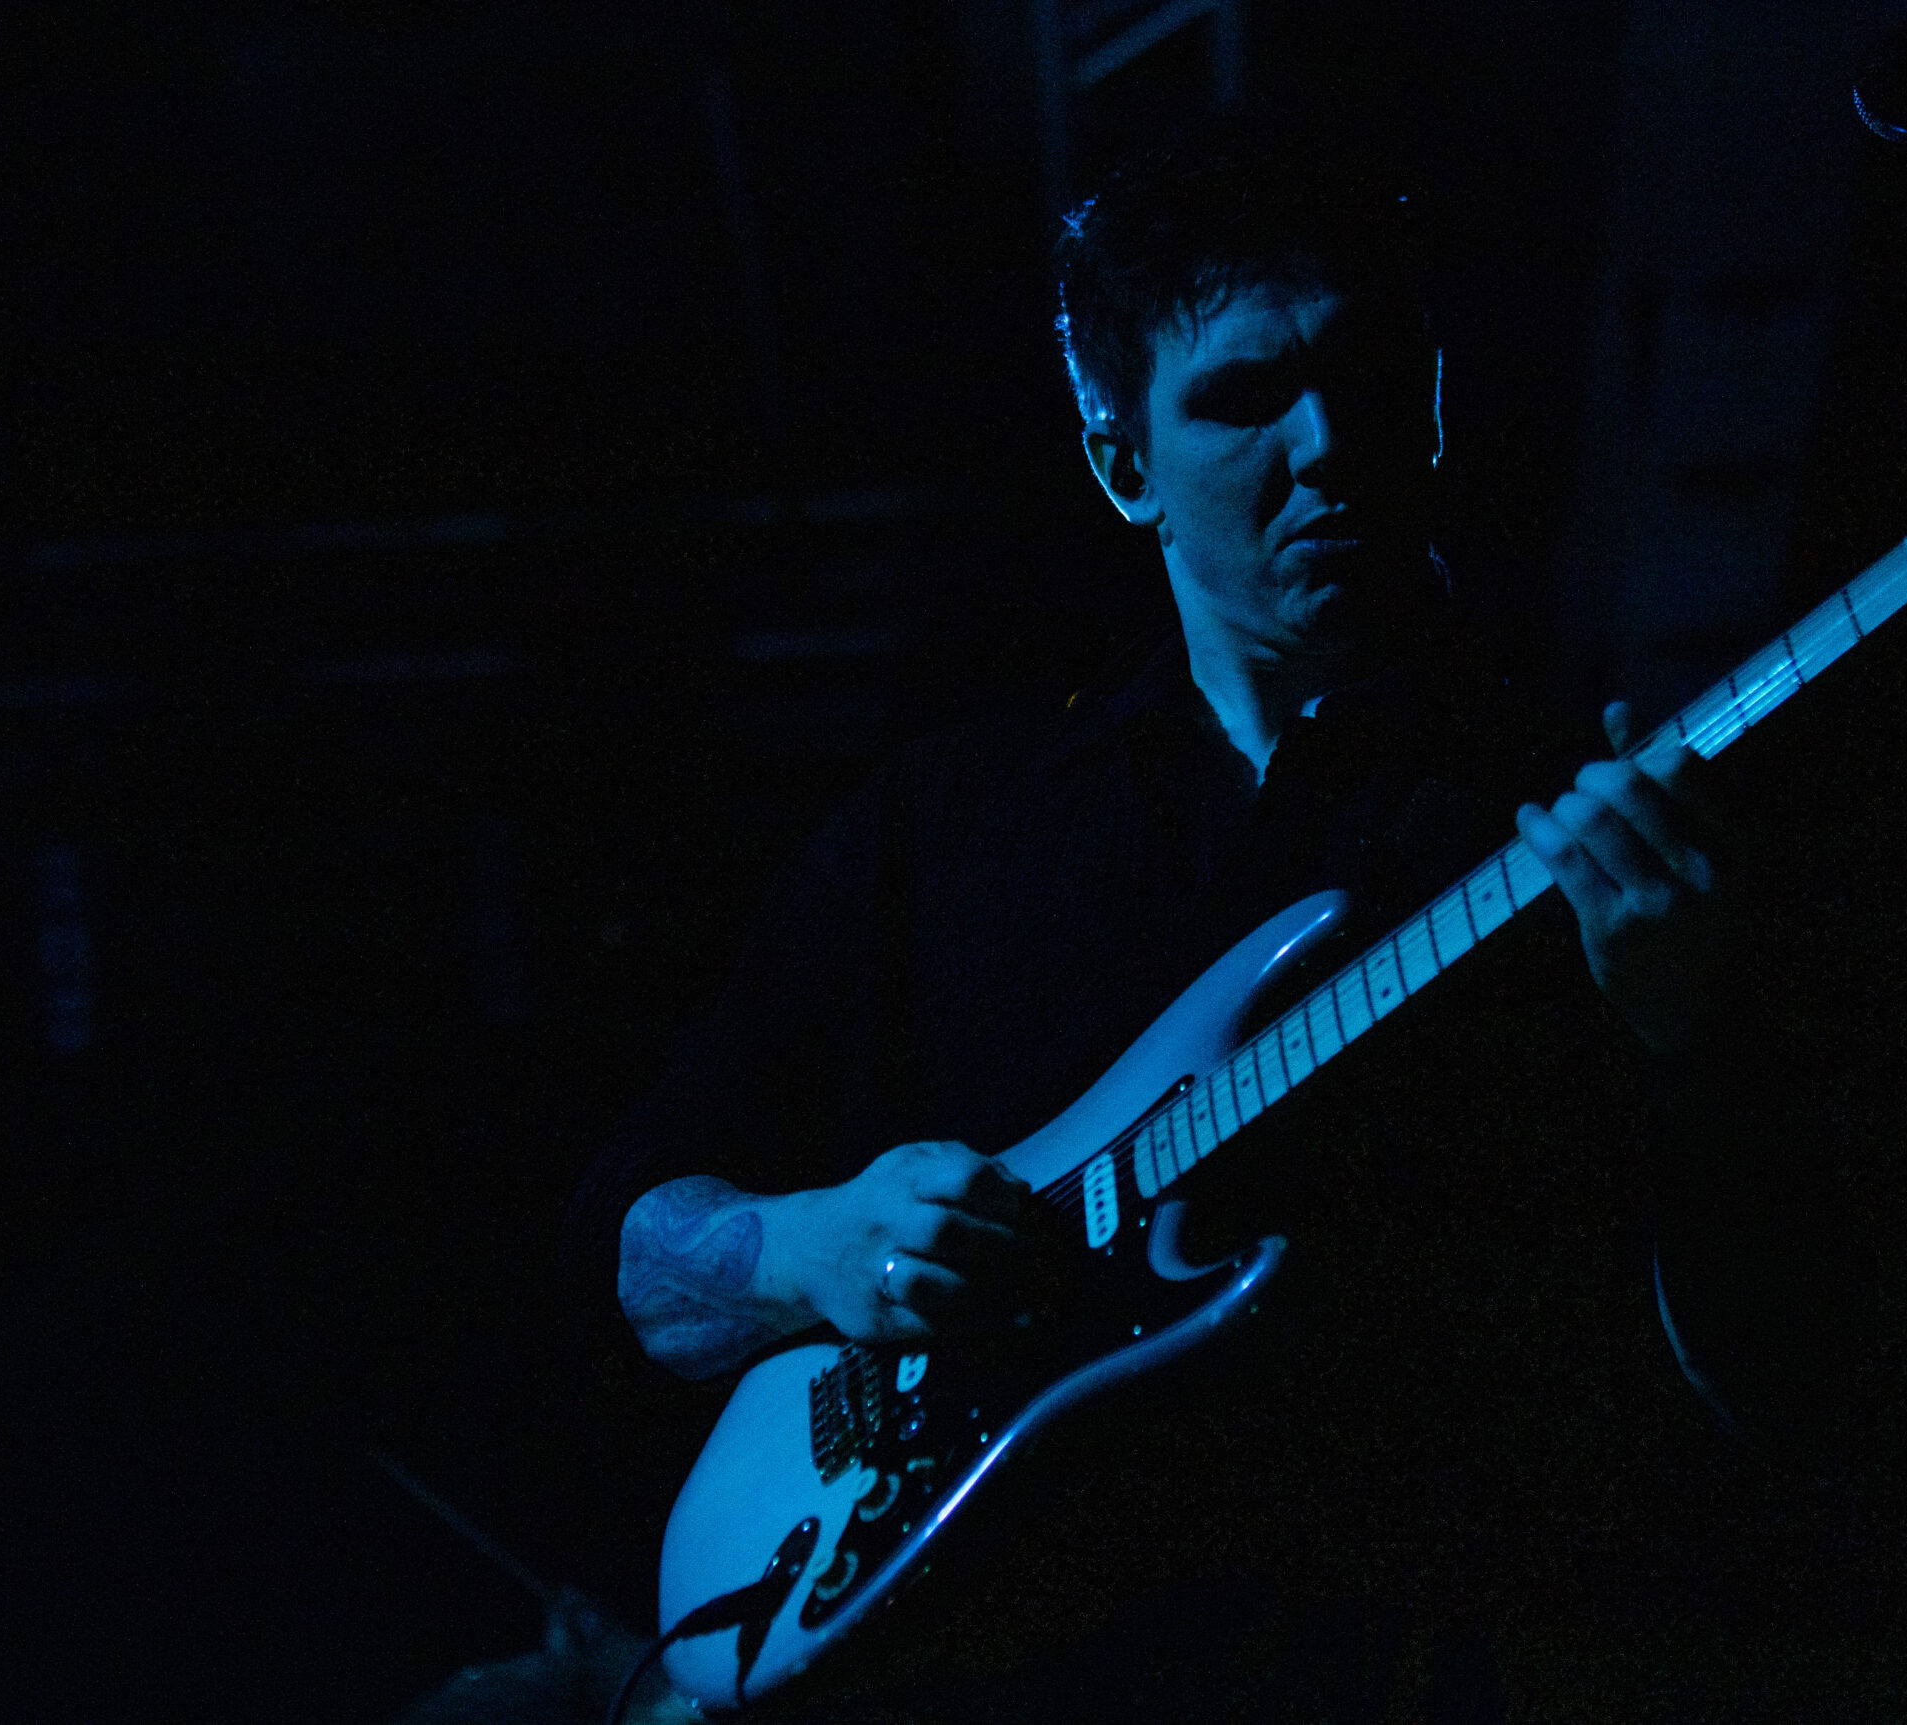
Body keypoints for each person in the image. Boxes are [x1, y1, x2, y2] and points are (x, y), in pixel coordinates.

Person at [564, 126, 1839, 1723]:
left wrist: (1694, 1036)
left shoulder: (1579, 810)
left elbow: (1799, 1369)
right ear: (1124, 465)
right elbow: (633, 1247)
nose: (1329, 442)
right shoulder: (949, 824)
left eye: (1371, 377)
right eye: (1246, 397)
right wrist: (820, 1246)